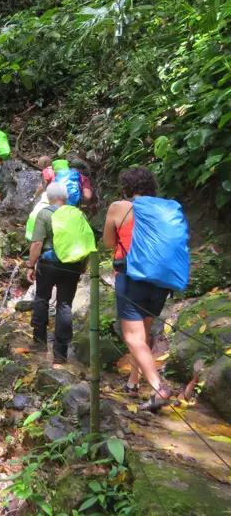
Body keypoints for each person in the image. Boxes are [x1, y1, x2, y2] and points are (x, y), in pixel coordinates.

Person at [103, 167, 172, 412]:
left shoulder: (119, 207)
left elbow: (109, 243)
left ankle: (158, 388)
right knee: (143, 333)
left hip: (131, 277)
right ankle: (133, 383)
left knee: (133, 337)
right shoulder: (165, 209)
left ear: (127, 187)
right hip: (160, 278)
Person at [25, 183, 86, 364]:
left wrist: (30, 265)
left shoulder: (44, 213)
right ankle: (60, 353)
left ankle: (39, 344)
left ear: (49, 197)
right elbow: (86, 242)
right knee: (64, 305)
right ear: (66, 198)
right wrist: (83, 265)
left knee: (42, 298)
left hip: (49, 263)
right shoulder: (79, 214)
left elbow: (37, 243)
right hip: (72, 264)